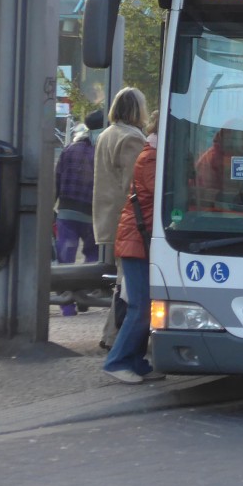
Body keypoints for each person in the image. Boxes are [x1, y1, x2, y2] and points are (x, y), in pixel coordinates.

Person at [103, 112, 164, 384]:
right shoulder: (151, 156)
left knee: (143, 305)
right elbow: (161, 192)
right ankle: (117, 361)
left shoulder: (152, 153)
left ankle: (136, 361)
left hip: (138, 240)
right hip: (136, 242)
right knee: (140, 306)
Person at [92, 87, 149, 350]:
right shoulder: (132, 139)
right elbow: (134, 183)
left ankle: (111, 335)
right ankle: (116, 338)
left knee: (122, 279)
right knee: (127, 282)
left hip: (109, 215)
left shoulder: (106, 134)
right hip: (128, 220)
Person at [54, 109, 104, 266]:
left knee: (65, 256)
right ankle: (90, 286)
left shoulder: (69, 148)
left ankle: (66, 289)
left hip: (66, 212)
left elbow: (57, 179)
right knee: (93, 256)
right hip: (91, 214)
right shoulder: (101, 151)